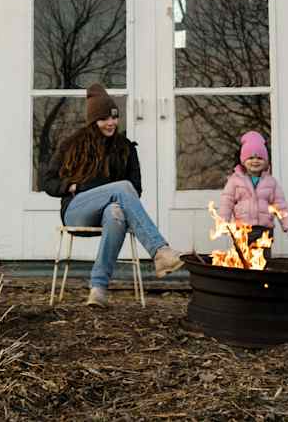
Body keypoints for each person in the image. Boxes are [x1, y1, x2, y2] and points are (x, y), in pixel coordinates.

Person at [41, 83, 184, 306]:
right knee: (122, 187)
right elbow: (48, 181)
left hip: (108, 213)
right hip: (77, 210)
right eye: (104, 119)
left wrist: (114, 194)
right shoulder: (72, 145)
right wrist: (72, 187)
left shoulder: (126, 148)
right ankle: (159, 250)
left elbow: (135, 189)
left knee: (117, 211)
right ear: (92, 121)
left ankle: (98, 289)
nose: (111, 123)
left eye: (114, 118)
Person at [217, 131, 288, 257]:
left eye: (259, 158)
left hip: (265, 230)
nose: (255, 161)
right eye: (251, 158)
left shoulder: (271, 182)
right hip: (242, 229)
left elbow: (280, 205)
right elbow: (227, 202)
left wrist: (287, 224)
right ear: (243, 160)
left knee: (262, 261)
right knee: (243, 259)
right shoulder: (235, 180)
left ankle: (262, 277)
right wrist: (223, 223)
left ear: (266, 161)